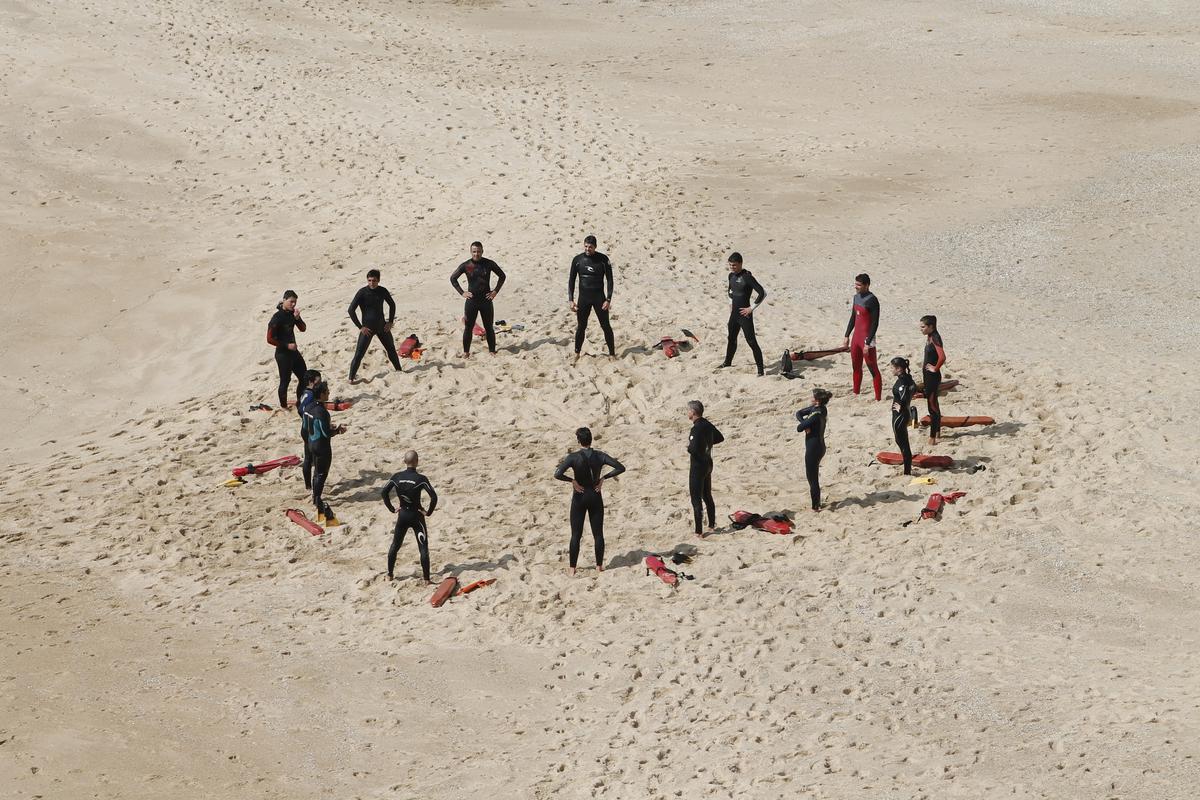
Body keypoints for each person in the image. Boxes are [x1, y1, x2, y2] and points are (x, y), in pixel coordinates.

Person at [553, 427, 626, 575]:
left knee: (576, 534)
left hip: (579, 496)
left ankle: (572, 568)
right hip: (595, 495)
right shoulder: (600, 456)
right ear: (591, 439)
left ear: (578, 440)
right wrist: (603, 479)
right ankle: (599, 566)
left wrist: (572, 480)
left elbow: (558, 474)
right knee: (598, 534)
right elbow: (620, 467)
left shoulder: (573, 457)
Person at [381, 450, 438, 583]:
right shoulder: (421, 479)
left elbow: (384, 493)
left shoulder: (396, 477)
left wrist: (392, 509)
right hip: (417, 516)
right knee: (423, 548)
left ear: (404, 461)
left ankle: (389, 575)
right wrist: (428, 512)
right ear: (417, 462)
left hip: (403, 516)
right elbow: (434, 497)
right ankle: (426, 579)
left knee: (395, 545)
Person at [451, 241, 506, 357]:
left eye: (479, 251)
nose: (476, 254)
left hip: (486, 301)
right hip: (472, 302)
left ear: (482, 251)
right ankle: (466, 352)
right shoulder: (466, 265)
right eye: (474, 251)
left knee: (489, 327)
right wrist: (462, 292)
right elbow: (453, 279)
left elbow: (502, 276)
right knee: (468, 327)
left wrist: (495, 291)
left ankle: (492, 350)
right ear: (471, 252)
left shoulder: (488, 264)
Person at [347, 269, 403, 382]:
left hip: (382, 327)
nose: (372, 283)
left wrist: (390, 322)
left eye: (374, 280)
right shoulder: (362, 292)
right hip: (368, 329)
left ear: (378, 280)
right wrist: (360, 327)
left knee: (391, 349)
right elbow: (351, 310)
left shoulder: (382, 291)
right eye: (369, 280)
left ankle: (399, 371)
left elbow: (392, 305)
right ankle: (351, 379)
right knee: (359, 354)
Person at [303, 381, 346, 524]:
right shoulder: (323, 412)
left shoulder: (308, 407)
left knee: (316, 471)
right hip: (321, 446)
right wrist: (338, 430)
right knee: (321, 473)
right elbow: (326, 433)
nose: (329, 393)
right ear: (321, 394)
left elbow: (305, 427)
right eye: (327, 391)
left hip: (310, 443)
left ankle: (313, 492)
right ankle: (317, 498)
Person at [568, 235, 616, 359]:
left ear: (595, 247)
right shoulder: (578, 260)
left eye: (590, 247)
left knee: (605, 326)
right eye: (586, 246)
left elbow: (610, 280)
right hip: (583, 299)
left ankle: (612, 354)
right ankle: (577, 353)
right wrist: (571, 300)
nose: (588, 249)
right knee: (581, 327)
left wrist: (608, 299)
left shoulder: (603, 260)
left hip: (599, 298)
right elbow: (571, 280)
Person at [720, 252, 766, 375]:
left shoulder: (747, 277)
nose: (731, 267)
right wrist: (730, 304)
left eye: (734, 265)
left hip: (745, 315)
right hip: (734, 314)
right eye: (730, 265)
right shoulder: (731, 276)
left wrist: (751, 308)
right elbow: (730, 291)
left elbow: (762, 293)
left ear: (740, 264)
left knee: (751, 341)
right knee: (731, 338)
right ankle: (727, 362)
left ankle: (760, 370)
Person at [686, 401, 724, 536]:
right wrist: (707, 443)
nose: (687, 412)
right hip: (708, 463)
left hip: (697, 467)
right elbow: (720, 438)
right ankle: (712, 525)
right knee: (707, 495)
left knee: (696, 500)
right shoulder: (707, 424)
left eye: (688, 410)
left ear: (693, 412)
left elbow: (693, 449)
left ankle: (698, 532)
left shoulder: (696, 429)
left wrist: (691, 447)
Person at [842, 274, 881, 400]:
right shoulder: (856, 297)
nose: (856, 287)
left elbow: (875, 323)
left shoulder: (872, 300)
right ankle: (856, 392)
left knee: (872, 368)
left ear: (866, 285)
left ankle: (878, 398)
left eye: (859, 285)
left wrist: (868, 342)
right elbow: (853, 317)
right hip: (856, 338)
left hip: (866, 339)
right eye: (855, 284)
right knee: (856, 366)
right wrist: (847, 335)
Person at [266, 290, 307, 409]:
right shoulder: (277, 317)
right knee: (285, 381)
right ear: (284, 300)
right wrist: (286, 345)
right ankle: (284, 407)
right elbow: (269, 339)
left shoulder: (292, 313)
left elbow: (303, 329)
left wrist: (298, 318)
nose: (293, 304)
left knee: (304, 377)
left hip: (294, 353)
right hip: (282, 354)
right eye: (291, 302)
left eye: (295, 302)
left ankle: (300, 401)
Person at [795, 389, 833, 511]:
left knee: (812, 478)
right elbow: (799, 413)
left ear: (817, 401)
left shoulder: (816, 414)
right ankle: (816, 503)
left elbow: (799, 428)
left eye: (813, 397)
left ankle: (815, 506)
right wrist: (805, 423)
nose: (811, 398)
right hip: (819, 446)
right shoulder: (819, 409)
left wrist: (805, 425)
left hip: (814, 449)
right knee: (812, 477)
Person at [920, 315, 946, 445]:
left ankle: (932, 438)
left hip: (932, 377)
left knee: (932, 406)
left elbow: (942, 357)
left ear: (931, 327)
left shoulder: (935, 337)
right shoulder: (930, 336)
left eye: (923, 327)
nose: (921, 329)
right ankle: (937, 432)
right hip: (928, 376)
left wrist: (935, 368)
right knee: (934, 403)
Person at [889, 357, 917, 475]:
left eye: (892, 367)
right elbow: (913, 389)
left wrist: (902, 407)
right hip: (904, 414)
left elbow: (904, 395)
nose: (891, 370)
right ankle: (907, 469)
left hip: (900, 416)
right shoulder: (908, 378)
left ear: (899, 369)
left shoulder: (902, 382)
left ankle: (907, 472)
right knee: (901, 441)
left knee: (903, 443)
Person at [297, 369, 322, 491]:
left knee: (308, 457)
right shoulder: (310, 395)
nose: (320, 382)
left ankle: (308, 486)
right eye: (318, 380)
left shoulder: (305, 392)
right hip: (309, 429)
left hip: (305, 427)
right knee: (311, 458)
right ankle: (310, 485)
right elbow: (301, 409)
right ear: (312, 381)